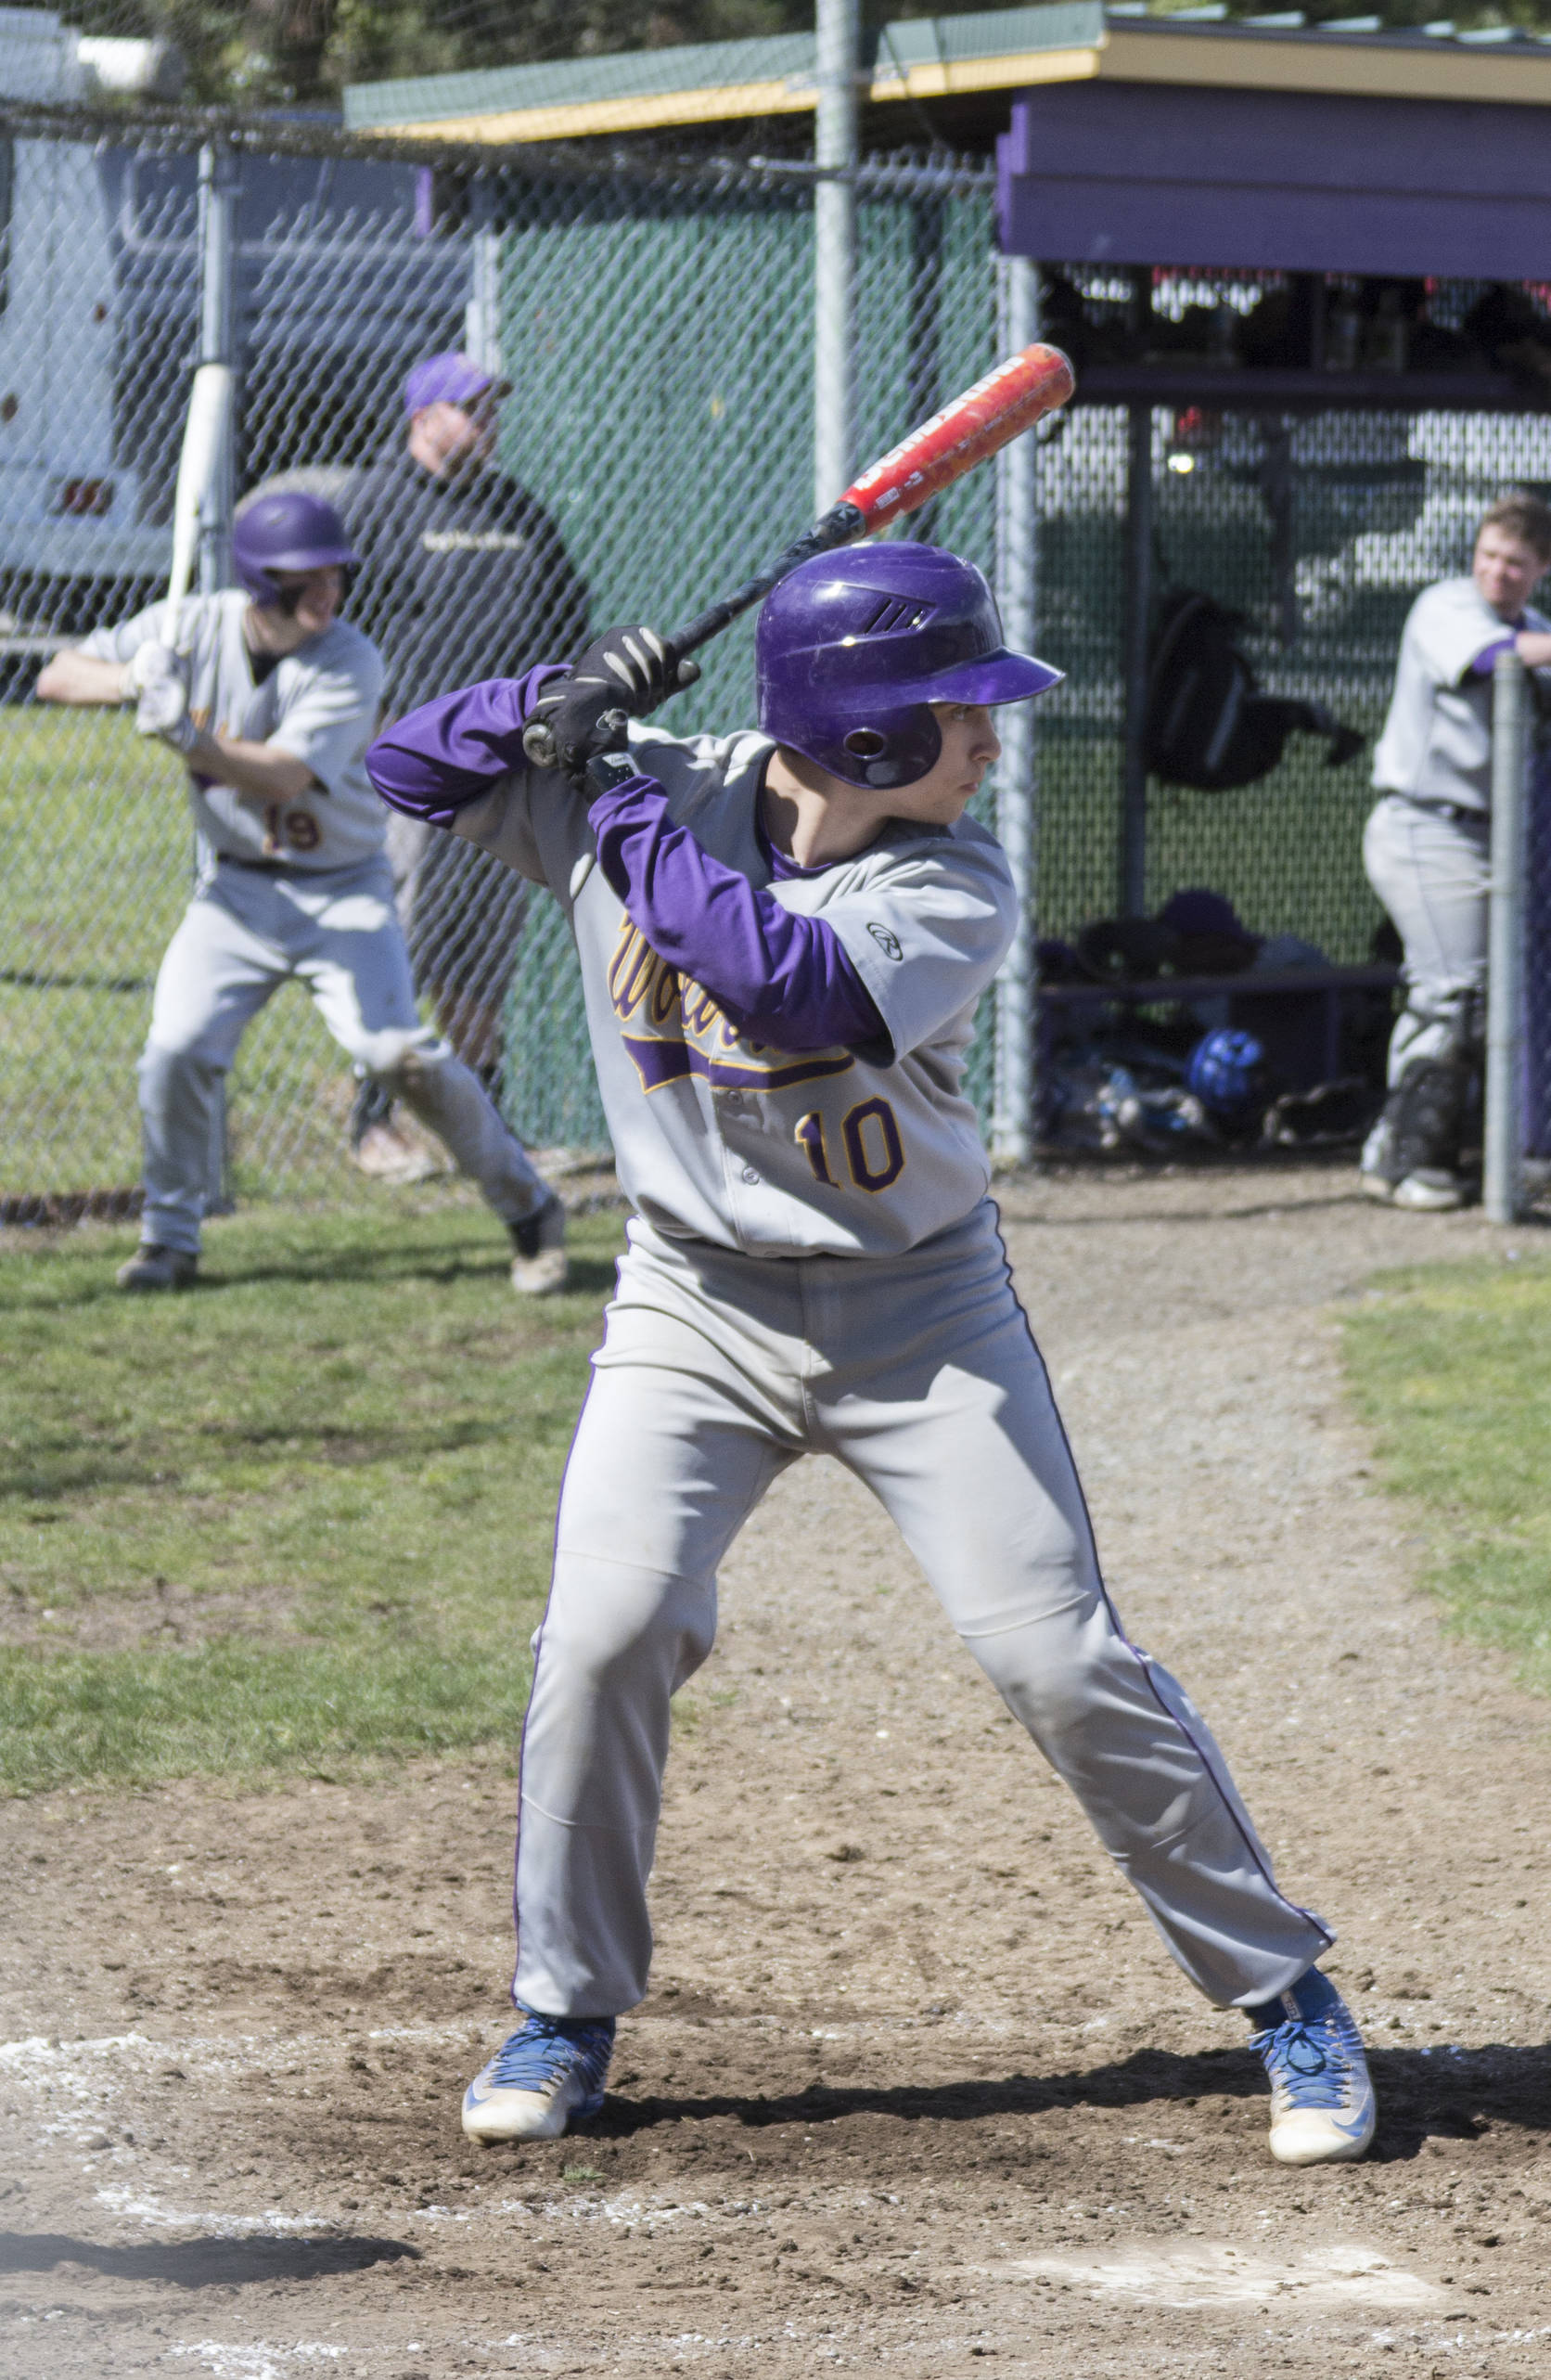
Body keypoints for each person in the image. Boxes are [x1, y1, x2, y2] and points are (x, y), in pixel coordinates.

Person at [365, 544, 1378, 2168]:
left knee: (1056, 1657)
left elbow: (782, 986)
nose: (988, 745)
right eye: (959, 714)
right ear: (861, 734)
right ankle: (563, 2008)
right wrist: (543, 705)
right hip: (689, 1306)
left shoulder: (946, 882)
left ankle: (1282, 1993)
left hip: (920, 1314)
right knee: (605, 1634)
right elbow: (405, 764)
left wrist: (607, 799)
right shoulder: (664, 777)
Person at [36, 490, 569, 1293]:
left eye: (335, 574)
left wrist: (188, 734)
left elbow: (282, 774)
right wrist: (130, 676)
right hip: (236, 893)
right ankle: (169, 1239)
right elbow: (54, 674)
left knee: (399, 1056)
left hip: (342, 891)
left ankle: (529, 1208)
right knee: (175, 1049)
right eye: (304, 578)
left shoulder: (350, 656)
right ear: (258, 580)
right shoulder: (191, 624)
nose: (327, 591)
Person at [340, 349, 593, 1170]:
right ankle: (371, 1121)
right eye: (472, 408)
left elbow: (567, 612)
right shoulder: (374, 505)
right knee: (406, 933)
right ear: (424, 418)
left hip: (509, 766)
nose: (489, 422)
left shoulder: (516, 509)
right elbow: (342, 632)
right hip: (413, 768)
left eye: (492, 408)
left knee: (485, 947)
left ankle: (485, 1132)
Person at [1360, 490, 1551, 1209]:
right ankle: (1411, 1159)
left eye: (1516, 562)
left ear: (1543, 566)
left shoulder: (1540, 624)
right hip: (1425, 826)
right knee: (1452, 990)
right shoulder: (1444, 605)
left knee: (1475, 993)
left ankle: (1411, 1148)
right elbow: (1491, 657)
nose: (1498, 573)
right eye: (1489, 556)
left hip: (1495, 837)